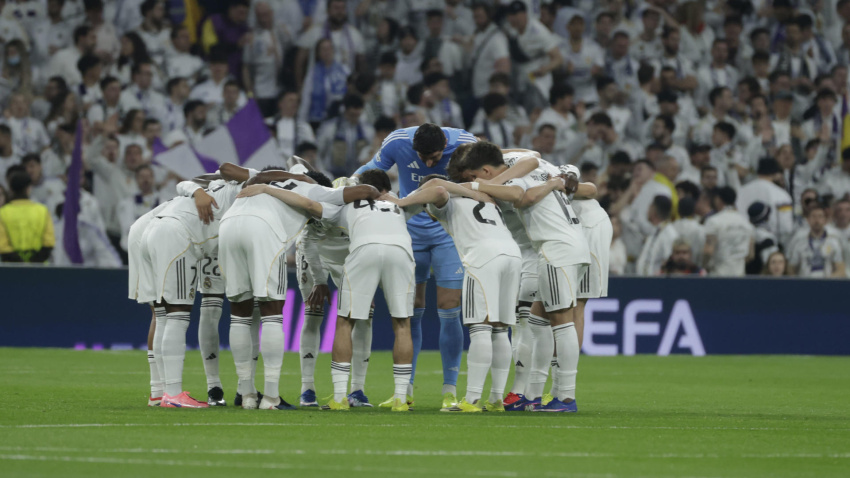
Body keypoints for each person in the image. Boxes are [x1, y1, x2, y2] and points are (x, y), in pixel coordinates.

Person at [219, 167, 378, 410]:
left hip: (228, 225)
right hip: (264, 229)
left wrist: (281, 179)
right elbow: (368, 190)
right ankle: (271, 397)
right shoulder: (316, 189)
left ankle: (247, 395)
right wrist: (310, 183)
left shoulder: (261, 181)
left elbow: (250, 173)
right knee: (271, 313)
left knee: (239, 314)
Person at [455, 142, 592, 412]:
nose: (474, 181)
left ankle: (565, 396)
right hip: (568, 244)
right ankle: (531, 395)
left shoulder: (512, 175)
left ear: (484, 169)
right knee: (538, 319)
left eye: (474, 176)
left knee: (562, 322)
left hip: (556, 247)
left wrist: (475, 187)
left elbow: (522, 197)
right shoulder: (533, 164)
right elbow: (533, 156)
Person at [354, 123, 477, 410]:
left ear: (445, 144)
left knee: (449, 308)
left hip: (448, 231)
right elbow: (367, 175)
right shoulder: (397, 140)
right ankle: (404, 390)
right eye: (422, 157)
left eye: (434, 157)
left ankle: (449, 392)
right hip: (409, 229)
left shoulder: (466, 143)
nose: (428, 163)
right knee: (410, 310)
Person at [392, 174, 521, 412]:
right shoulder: (486, 197)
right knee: (501, 329)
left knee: (480, 327)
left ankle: (471, 401)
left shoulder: (446, 202)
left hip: (483, 257)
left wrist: (403, 202)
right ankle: (495, 400)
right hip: (512, 255)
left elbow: (438, 191)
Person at [292, 169, 415, 411]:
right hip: (319, 254)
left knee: (355, 319)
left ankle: (354, 390)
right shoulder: (389, 204)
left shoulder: (350, 202)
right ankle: (308, 388)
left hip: (355, 253)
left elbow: (309, 203)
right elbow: (306, 240)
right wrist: (319, 280)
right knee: (314, 315)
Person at [142, 166, 250, 409]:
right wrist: (199, 191)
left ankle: (161, 392)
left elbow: (185, 184)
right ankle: (174, 393)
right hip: (186, 239)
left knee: (166, 314)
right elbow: (187, 183)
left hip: (171, 235)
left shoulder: (228, 189)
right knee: (176, 315)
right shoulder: (238, 184)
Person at [0, 171, 54, 263]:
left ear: (11, 189)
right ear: (29, 188)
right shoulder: (43, 211)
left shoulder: (3, 213)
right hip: (40, 269)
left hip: (11, 269)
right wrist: (33, 262)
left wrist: (21, 263)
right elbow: (49, 243)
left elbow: (3, 246)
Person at [704, 186, 755, 277]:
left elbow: (708, 251)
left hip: (718, 275)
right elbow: (751, 255)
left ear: (719, 200)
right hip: (739, 274)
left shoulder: (713, 221)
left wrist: (705, 266)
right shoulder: (746, 222)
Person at [787, 205, 846, 278]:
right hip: (804, 284)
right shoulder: (799, 242)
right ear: (808, 220)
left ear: (825, 220)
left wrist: (827, 281)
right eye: (813, 216)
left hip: (827, 284)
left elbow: (841, 270)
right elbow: (791, 269)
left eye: (820, 216)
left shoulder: (834, 242)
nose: (817, 220)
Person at [636, 195, 679, 276]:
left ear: (653, 209)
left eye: (649, 206)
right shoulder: (655, 231)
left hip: (658, 284)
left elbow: (670, 263)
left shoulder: (669, 234)